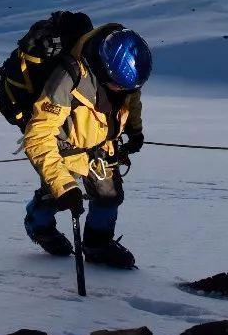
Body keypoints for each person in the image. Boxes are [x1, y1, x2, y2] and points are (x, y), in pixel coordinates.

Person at [22, 25, 150, 268]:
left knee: (109, 196)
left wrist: (134, 129)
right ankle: (38, 226)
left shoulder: (124, 72)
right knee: (55, 197)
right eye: (119, 86)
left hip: (101, 145)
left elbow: (131, 99)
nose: (125, 91)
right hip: (64, 148)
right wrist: (64, 187)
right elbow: (38, 135)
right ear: (103, 70)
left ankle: (98, 244)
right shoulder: (67, 77)